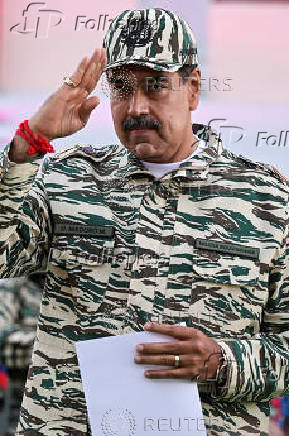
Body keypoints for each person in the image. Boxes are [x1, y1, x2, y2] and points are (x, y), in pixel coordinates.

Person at [0, 7, 288, 436]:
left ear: (192, 89)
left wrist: (221, 361)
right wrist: (27, 143)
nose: (136, 107)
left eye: (155, 86)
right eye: (121, 87)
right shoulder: (68, 180)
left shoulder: (267, 200)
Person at [0, 276, 43, 435]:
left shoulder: (69, 290)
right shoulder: (12, 287)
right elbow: (2, 341)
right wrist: (46, 345)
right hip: (16, 403)